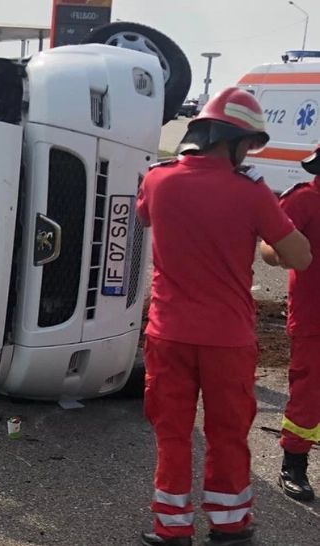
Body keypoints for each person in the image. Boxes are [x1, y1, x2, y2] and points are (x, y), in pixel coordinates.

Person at [136, 87, 312, 546]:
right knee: (228, 435)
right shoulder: (251, 192)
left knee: (172, 434)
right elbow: (300, 257)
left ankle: (171, 530)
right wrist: (260, 233)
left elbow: (143, 218)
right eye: (249, 144)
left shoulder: (158, 179)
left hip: (168, 334)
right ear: (231, 141)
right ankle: (229, 526)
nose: (250, 153)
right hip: (228, 339)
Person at [260, 147, 320, 503]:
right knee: (308, 394)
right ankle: (293, 465)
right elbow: (269, 245)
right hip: (314, 317)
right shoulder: (303, 200)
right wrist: (282, 252)